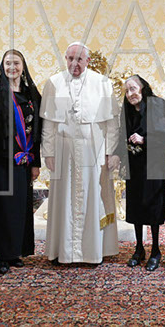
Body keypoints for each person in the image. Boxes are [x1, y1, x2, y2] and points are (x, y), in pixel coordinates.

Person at [40, 42, 120, 264]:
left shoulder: (102, 83)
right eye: (70, 59)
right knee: (64, 198)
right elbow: (48, 123)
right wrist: (48, 153)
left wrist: (110, 151)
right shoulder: (54, 83)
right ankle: (63, 251)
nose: (74, 64)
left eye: (79, 59)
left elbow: (112, 122)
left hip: (93, 150)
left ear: (88, 61)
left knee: (94, 198)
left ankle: (93, 252)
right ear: (65, 59)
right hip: (63, 150)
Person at [0, 50, 42, 274]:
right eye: (8, 63)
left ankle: (16, 251)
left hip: (24, 160)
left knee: (20, 208)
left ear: (23, 66)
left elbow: (37, 131)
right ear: (2, 66)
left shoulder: (32, 94)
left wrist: (36, 163)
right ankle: (2, 255)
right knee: (3, 208)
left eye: (16, 63)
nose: (12, 67)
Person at [117, 75, 165, 271]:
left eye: (133, 88)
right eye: (127, 91)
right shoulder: (127, 110)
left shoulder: (158, 105)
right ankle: (139, 249)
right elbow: (122, 134)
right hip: (134, 164)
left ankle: (155, 250)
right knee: (136, 206)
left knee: (153, 207)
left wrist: (144, 139)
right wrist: (117, 156)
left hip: (154, 164)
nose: (130, 94)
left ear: (143, 87)